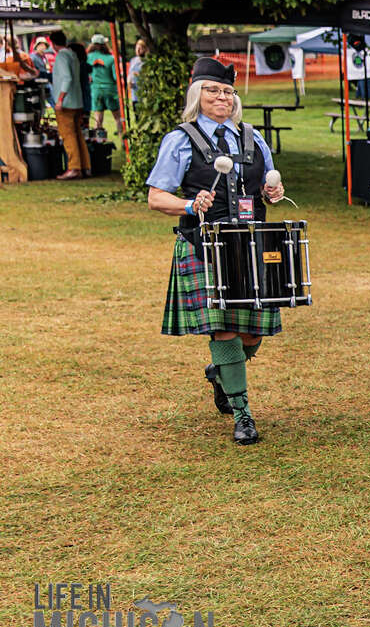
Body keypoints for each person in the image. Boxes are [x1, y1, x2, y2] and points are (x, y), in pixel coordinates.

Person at [146, 58, 286, 445]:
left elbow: (266, 187)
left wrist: (271, 194)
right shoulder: (180, 139)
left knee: (254, 333)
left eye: (227, 91)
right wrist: (190, 205)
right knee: (224, 327)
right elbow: (156, 197)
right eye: (212, 90)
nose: (221, 97)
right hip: (204, 245)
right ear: (197, 95)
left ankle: (221, 371)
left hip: (251, 243)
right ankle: (242, 412)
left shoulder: (252, 138)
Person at [48, 30, 89, 180]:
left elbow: (67, 78)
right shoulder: (73, 54)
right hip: (77, 101)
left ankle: (74, 167)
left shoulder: (62, 56)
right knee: (78, 135)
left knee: (68, 136)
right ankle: (85, 166)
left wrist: (60, 99)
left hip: (66, 103)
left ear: (53, 43)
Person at [86, 34, 122, 133]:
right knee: (117, 117)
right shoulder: (111, 58)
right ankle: (123, 140)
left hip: (96, 90)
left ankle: (99, 139)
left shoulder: (88, 57)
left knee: (98, 117)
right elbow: (116, 77)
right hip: (110, 90)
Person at [127, 38, 148, 107]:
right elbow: (130, 73)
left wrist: (139, 75)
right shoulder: (133, 60)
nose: (138, 50)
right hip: (135, 92)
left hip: (145, 92)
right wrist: (129, 82)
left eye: (140, 48)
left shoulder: (147, 61)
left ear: (145, 49)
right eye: (137, 48)